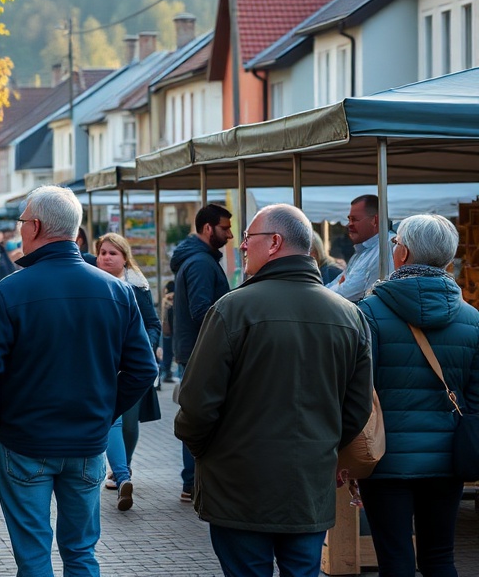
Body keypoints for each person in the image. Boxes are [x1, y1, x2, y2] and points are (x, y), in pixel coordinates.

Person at [175, 204, 373, 577]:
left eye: (249, 239)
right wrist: (324, 447)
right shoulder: (350, 316)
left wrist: (207, 452)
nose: (243, 246)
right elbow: (357, 407)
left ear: (275, 243)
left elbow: (196, 406)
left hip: (238, 485)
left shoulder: (231, 310)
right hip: (308, 485)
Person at [0, 186, 158, 576]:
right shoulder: (117, 291)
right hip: (87, 441)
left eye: (22, 221)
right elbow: (144, 369)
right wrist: (104, 412)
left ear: (36, 226)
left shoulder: (8, 291)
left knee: (34, 555)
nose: (19, 229)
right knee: (80, 552)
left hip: (25, 441)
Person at [357, 214, 479, 576]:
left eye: (395, 243)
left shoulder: (370, 312)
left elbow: (360, 390)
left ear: (404, 253)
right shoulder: (471, 319)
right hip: (448, 459)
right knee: (440, 557)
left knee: (395, 560)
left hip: (385, 460)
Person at [94, 231, 162, 511]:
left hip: (131, 368)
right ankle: (121, 474)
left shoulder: (137, 288)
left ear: (125, 259)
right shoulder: (91, 283)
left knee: (130, 426)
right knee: (113, 421)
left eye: (113, 253)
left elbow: (153, 324)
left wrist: (143, 348)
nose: (107, 257)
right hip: (102, 365)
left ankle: (125, 467)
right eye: (103, 253)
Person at [170, 202, 233, 502]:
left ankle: (193, 481)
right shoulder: (199, 263)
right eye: (225, 228)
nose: (230, 235)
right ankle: (193, 482)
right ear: (208, 228)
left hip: (195, 351)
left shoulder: (199, 259)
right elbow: (202, 311)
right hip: (200, 353)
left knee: (197, 414)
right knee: (198, 417)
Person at [327, 194, 386, 302]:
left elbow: (346, 295)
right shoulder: (361, 252)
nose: (349, 225)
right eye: (349, 219)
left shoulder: (383, 250)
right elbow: (333, 288)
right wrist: (340, 285)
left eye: (354, 219)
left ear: (375, 220)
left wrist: (341, 285)